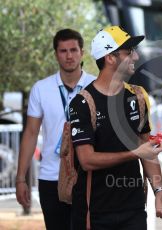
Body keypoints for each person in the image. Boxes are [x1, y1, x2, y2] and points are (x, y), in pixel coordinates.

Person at [69, 26, 162, 229]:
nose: (136, 56)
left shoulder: (138, 96)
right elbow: (86, 160)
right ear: (110, 58)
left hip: (134, 210)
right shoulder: (82, 102)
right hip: (94, 213)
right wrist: (134, 153)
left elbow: (148, 150)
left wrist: (160, 191)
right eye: (129, 52)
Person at [15, 29, 96, 229]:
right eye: (63, 51)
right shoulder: (41, 88)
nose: (69, 56)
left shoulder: (95, 85)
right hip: (50, 176)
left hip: (88, 176)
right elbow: (31, 133)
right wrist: (20, 179)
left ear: (82, 52)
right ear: (56, 54)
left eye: (73, 50)